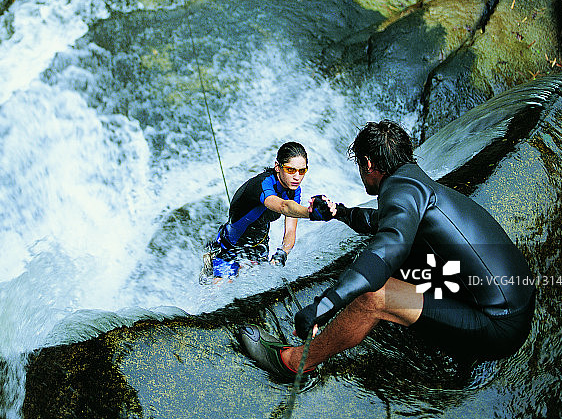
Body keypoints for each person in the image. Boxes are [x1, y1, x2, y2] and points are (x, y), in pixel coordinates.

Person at [240, 120, 536, 377]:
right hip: (513, 299)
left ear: (369, 164)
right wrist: (340, 212)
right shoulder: (414, 182)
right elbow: (383, 221)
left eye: (359, 166)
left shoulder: (402, 191)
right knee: (390, 264)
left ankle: (295, 363)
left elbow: (388, 248)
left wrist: (324, 305)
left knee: (373, 295)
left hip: (498, 325)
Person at [203, 141, 325, 281]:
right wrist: (310, 212)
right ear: (277, 167)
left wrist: (282, 253)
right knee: (220, 291)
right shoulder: (263, 184)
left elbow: (290, 230)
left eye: (302, 171)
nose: (297, 177)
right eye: (291, 170)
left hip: (259, 245)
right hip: (231, 247)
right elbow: (283, 206)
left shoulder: (294, 190)